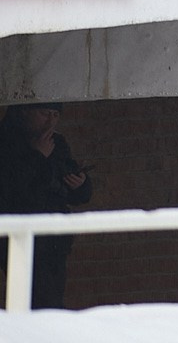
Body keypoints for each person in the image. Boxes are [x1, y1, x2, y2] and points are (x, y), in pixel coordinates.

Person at [0, 104, 90, 308]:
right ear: (24, 111)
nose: (50, 122)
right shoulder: (6, 143)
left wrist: (81, 183)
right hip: (20, 239)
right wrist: (37, 156)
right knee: (36, 304)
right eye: (44, 114)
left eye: (55, 115)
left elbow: (76, 191)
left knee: (51, 304)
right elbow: (11, 190)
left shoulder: (56, 143)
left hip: (54, 242)